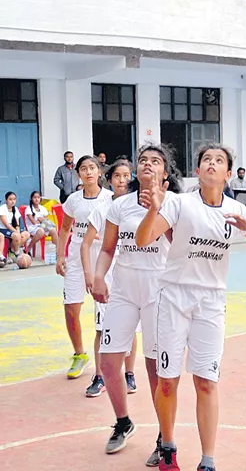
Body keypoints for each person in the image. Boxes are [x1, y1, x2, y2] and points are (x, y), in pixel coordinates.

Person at [136, 143, 246, 471]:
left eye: (219, 161)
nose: (211, 164)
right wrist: (154, 209)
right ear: (197, 171)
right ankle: (167, 446)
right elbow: (144, 239)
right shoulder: (179, 203)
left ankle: (208, 460)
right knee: (168, 380)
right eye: (205, 161)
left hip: (211, 303)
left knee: (206, 382)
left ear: (228, 174)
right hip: (174, 298)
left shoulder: (236, 211)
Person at [92, 143, 182, 465]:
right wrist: (99, 276)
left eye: (155, 161)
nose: (147, 164)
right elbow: (107, 249)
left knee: (155, 367)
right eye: (142, 160)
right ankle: (123, 422)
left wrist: (157, 208)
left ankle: (164, 435)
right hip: (124, 291)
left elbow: (181, 248)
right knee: (107, 361)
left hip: (159, 292)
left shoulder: (174, 204)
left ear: (165, 172)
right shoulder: (120, 205)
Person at [81, 160, 137, 399]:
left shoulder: (138, 207)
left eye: (126, 176)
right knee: (101, 328)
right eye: (117, 176)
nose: (122, 180)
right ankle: (100, 376)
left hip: (130, 275)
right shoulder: (102, 208)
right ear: (110, 179)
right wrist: (91, 274)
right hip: (105, 275)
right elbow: (85, 244)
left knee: (131, 327)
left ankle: (129, 373)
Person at [56, 155, 113, 379]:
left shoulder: (110, 199)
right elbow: (64, 229)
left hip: (101, 259)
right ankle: (79, 355)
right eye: (83, 169)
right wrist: (60, 256)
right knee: (71, 307)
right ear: (78, 174)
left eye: (92, 168)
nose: (88, 172)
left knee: (103, 312)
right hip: (76, 259)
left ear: (99, 172)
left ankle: (107, 361)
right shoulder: (73, 200)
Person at [0, 192, 30, 261]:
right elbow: (7, 224)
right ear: (6, 200)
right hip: (4, 229)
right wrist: (16, 232)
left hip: (13, 229)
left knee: (26, 234)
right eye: (10, 199)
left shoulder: (15, 209)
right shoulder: (2, 209)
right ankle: (17, 253)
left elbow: (17, 224)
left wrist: (18, 231)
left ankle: (12, 250)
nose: (12, 201)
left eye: (14, 199)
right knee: (16, 236)